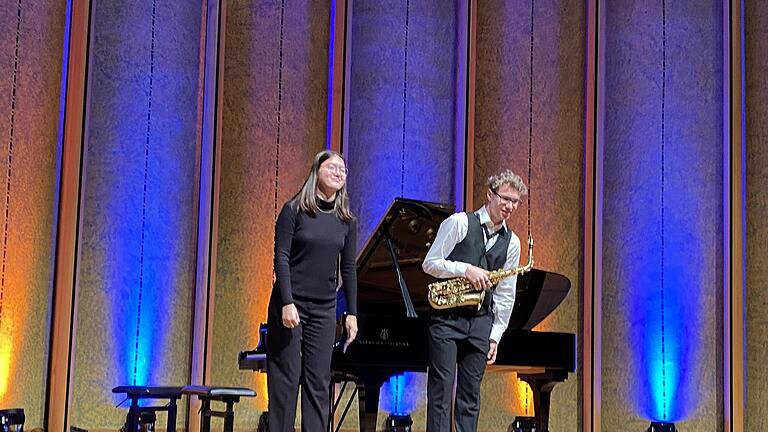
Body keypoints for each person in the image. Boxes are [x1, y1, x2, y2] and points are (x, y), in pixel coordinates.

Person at [422, 169, 528, 432]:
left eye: (515, 202)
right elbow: (430, 264)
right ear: (489, 194)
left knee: (470, 397)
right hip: (447, 318)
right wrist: (465, 269)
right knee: (441, 393)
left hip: (480, 322)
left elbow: (506, 293)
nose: (510, 206)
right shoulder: (459, 223)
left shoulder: (512, 242)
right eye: (505, 198)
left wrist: (496, 335)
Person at [267, 150, 358, 432]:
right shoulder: (294, 210)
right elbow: (280, 257)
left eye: (343, 169)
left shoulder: (347, 221)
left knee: (318, 384)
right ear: (316, 171)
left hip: (323, 310)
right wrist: (287, 301)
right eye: (332, 166)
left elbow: (349, 268)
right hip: (290, 305)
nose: (339, 172)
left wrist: (352, 313)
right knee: (286, 381)